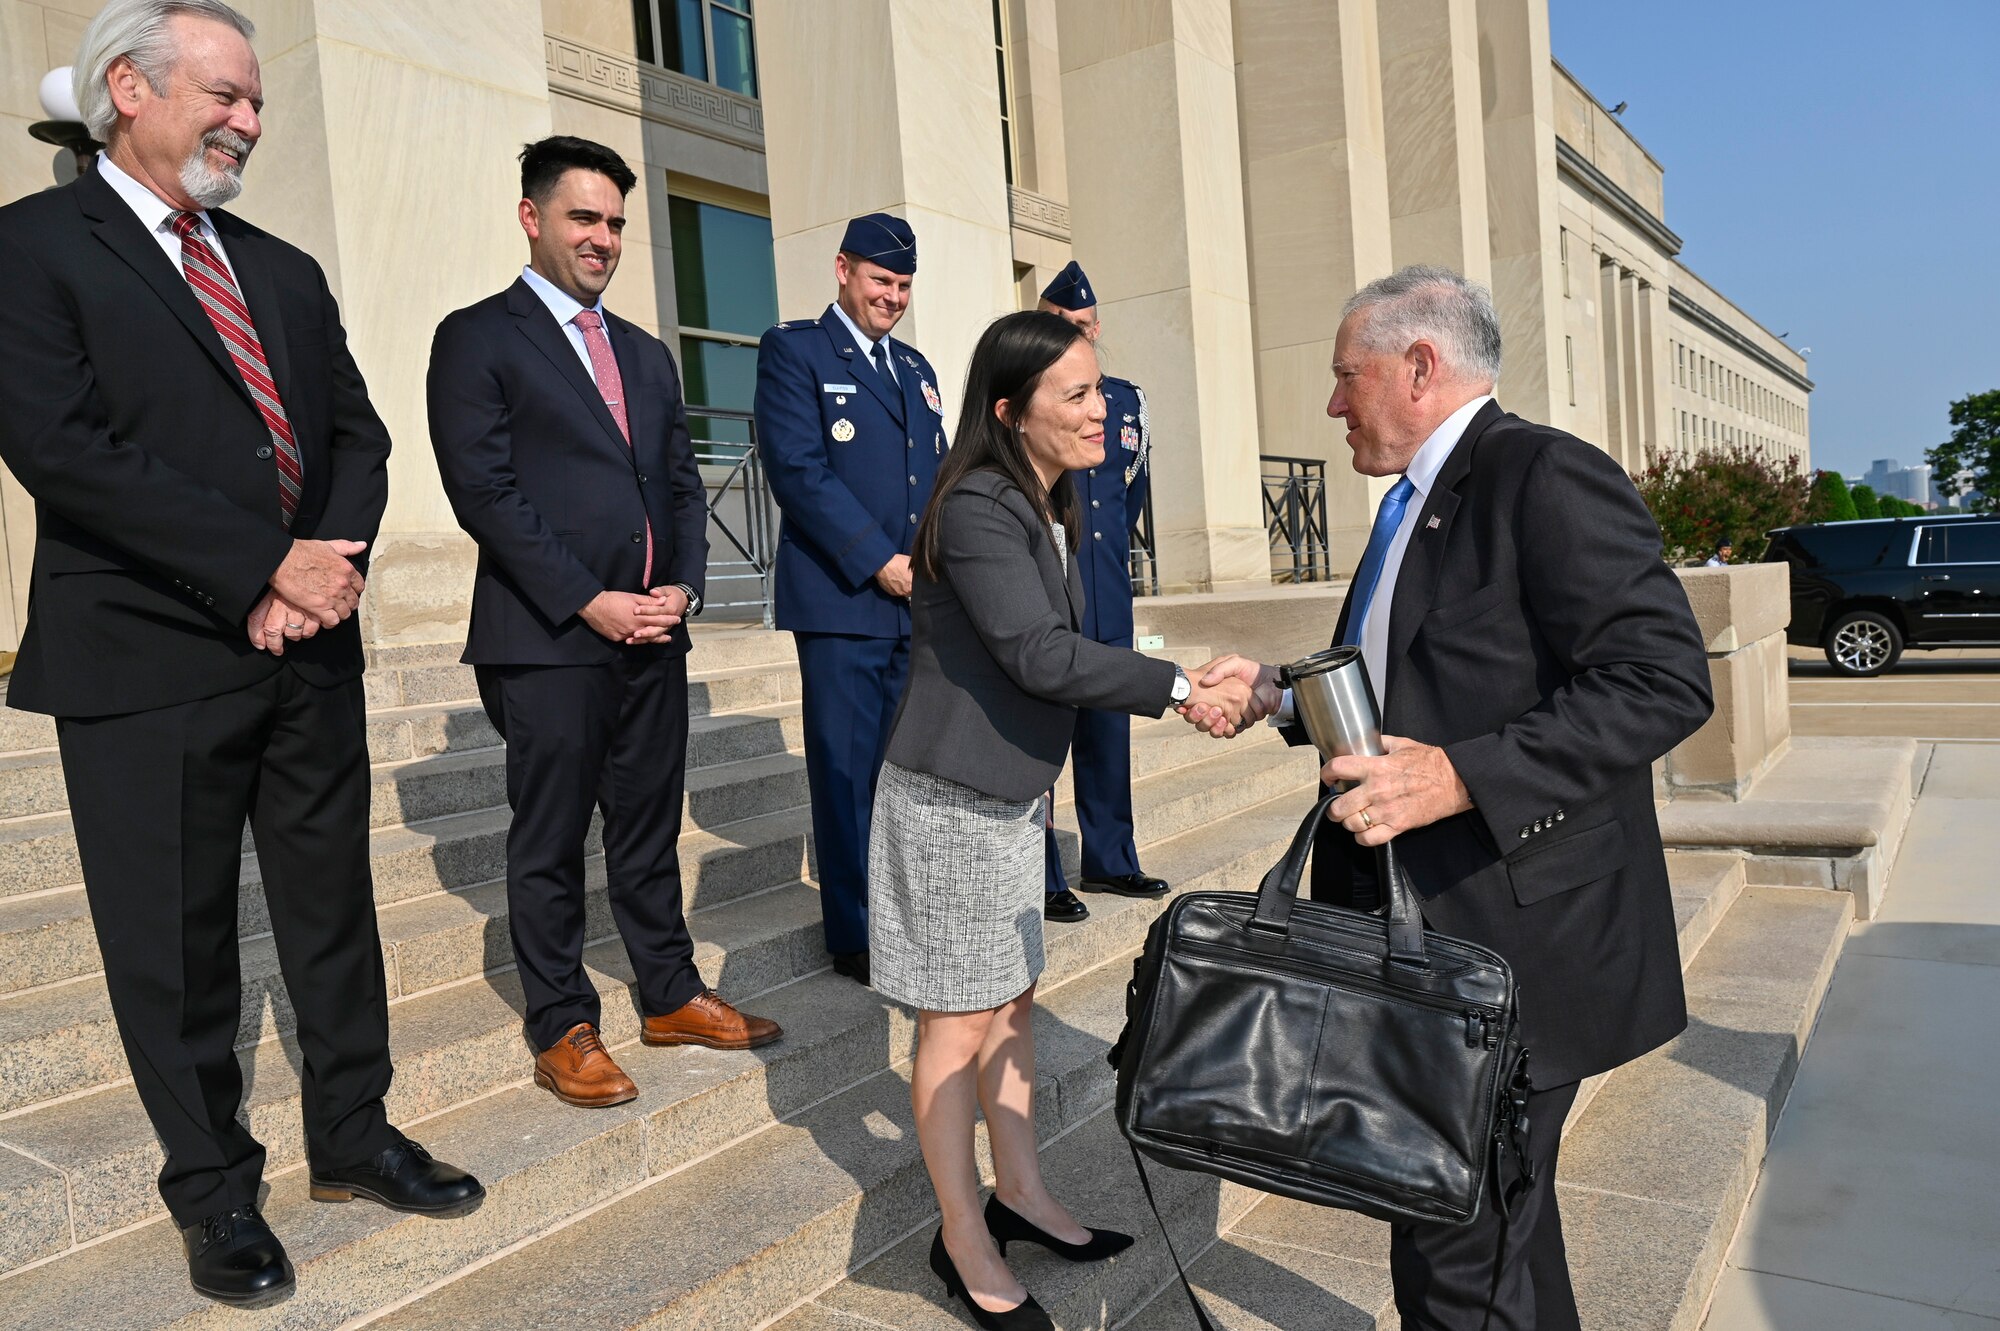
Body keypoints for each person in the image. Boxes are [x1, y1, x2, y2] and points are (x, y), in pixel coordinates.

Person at [0, 0, 483, 1306]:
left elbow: (358, 439)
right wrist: (255, 564)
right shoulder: (34, 247)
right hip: (144, 658)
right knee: (174, 942)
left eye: (258, 102)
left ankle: (355, 1133)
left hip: (304, 653)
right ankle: (213, 1189)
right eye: (225, 94)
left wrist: (323, 566)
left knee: (333, 914)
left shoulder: (277, 264)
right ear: (127, 89)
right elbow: (63, 447)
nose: (250, 123)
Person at [1191, 266, 1713, 1331]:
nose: (1332, 404)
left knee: (1457, 1256)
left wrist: (1461, 775)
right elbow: (1405, 681)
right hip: (1429, 944)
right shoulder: (1413, 503)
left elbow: (1662, 677)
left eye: (1346, 376)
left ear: (1417, 367)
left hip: (1518, 943)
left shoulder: (1541, 475)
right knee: (1487, 1235)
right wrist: (1277, 694)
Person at [872, 310, 1250, 1329]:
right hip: (952, 800)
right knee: (955, 1026)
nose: (1100, 410)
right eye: (1075, 395)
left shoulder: (1051, 494)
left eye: (1098, 386)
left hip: (1008, 797)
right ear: (1009, 411)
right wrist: (1176, 687)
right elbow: (1039, 654)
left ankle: (1023, 1191)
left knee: (1010, 1004)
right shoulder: (980, 507)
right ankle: (960, 1238)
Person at [427, 136, 780, 1110]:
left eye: (617, 222)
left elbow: (674, 484)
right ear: (532, 217)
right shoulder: (477, 336)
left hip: (652, 636)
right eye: (583, 217)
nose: (603, 238)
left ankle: (667, 991)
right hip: (546, 636)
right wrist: (589, 596)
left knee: (646, 826)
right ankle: (562, 1023)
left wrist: (683, 589)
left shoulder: (645, 354)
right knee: (549, 837)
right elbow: (484, 490)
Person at [754, 213, 948, 987]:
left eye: (902, 285)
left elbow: (930, 476)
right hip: (842, 601)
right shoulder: (796, 350)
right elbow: (798, 470)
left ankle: (908, 912)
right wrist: (878, 561)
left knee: (906, 771)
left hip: (916, 603)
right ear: (843, 270)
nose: (892, 297)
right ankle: (859, 933)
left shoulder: (916, 366)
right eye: (880, 281)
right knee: (845, 770)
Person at [1032, 261, 1166, 926]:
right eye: (1061, 325)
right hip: (1051, 582)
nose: (1075, 336)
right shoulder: (1024, 393)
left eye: (1083, 326)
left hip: (1107, 581)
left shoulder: (1127, 400)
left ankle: (1111, 855)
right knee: (1045, 731)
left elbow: (1129, 492)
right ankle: (1046, 873)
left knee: (1109, 726)